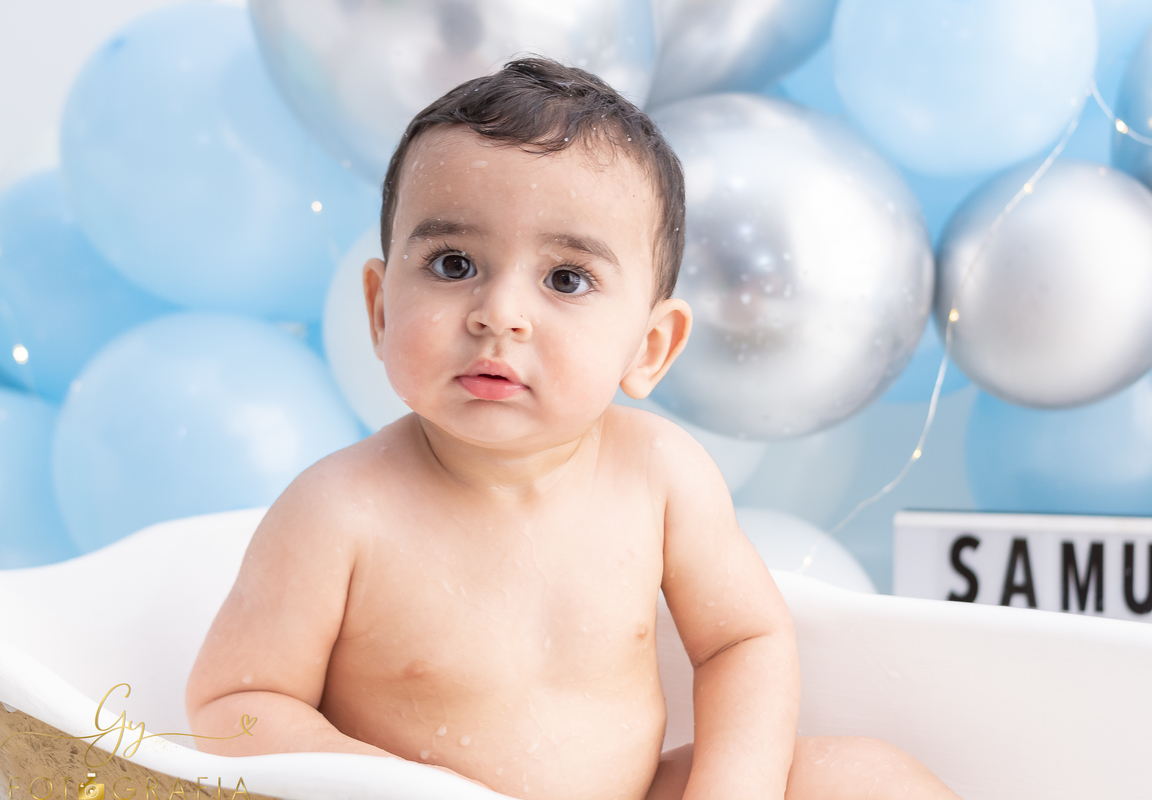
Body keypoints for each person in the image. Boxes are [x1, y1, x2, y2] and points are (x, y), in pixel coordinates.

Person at [185, 57, 958, 800]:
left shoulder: (659, 474)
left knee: (869, 778)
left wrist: (732, 790)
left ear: (650, 348)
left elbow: (742, 644)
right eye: (454, 264)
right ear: (382, 311)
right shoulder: (338, 513)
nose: (500, 314)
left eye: (566, 278)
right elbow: (232, 704)